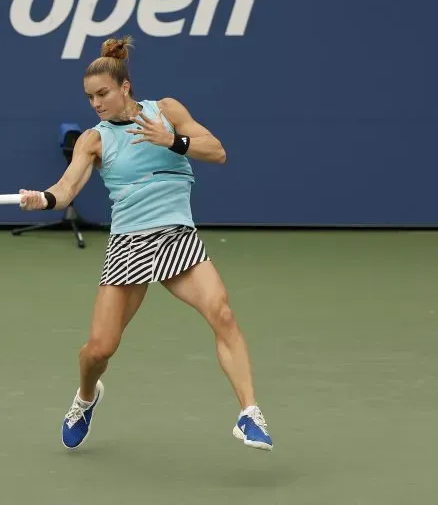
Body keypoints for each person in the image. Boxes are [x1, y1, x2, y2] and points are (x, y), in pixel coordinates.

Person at [18, 35, 273, 452]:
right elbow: (64, 190)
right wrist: (42, 199)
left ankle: (250, 415)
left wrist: (173, 141)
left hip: (176, 235)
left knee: (222, 313)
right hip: (128, 245)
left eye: (103, 94)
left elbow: (217, 151)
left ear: (125, 88)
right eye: (89, 98)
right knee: (98, 350)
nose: (96, 104)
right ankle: (86, 397)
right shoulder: (94, 140)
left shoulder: (166, 112)